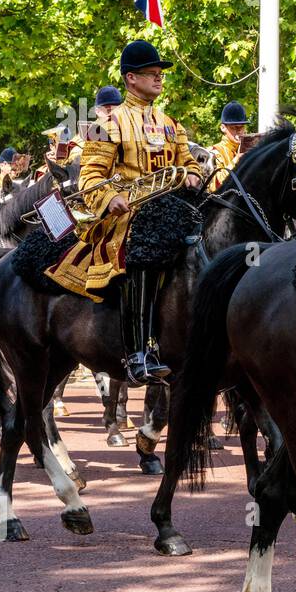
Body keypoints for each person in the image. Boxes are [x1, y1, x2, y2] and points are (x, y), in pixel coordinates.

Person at [45, 40, 202, 384]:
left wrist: (192, 171)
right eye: (152, 74)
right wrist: (110, 197)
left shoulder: (170, 123)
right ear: (131, 79)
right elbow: (90, 176)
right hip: (127, 216)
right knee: (143, 253)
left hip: (172, 209)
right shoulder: (107, 124)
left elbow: (187, 159)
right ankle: (138, 352)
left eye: (161, 74)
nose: (159, 79)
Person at [209, 101, 250, 189]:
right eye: (234, 127)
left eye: (241, 127)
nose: (239, 131)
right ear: (223, 128)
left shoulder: (248, 149)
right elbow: (214, 185)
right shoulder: (213, 152)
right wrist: (237, 160)